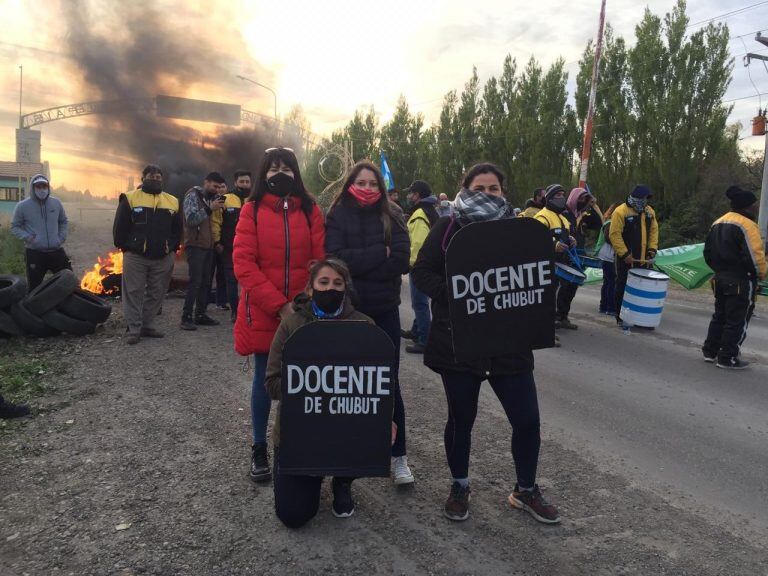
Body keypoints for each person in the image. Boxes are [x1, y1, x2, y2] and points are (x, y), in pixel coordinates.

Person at [412, 162, 559, 524]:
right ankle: (459, 485)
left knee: (527, 420)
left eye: (493, 188)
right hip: (460, 343)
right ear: (465, 188)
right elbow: (422, 272)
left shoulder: (519, 230)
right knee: (461, 420)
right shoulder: (448, 227)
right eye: (480, 187)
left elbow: (534, 278)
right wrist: (452, 295)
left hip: (509, 344)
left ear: (503, 193)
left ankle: (525, 490)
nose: (486, 193)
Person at [233, 147, 325, 483]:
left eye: (286, 167)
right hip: (263, 309)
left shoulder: (311, 209)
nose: (279, 173)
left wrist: (301, 302)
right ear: (262, 174)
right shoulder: (251, 211)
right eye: (272, 169)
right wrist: (278, 305)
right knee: (264, 379)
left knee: (306, 381)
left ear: (296, 172)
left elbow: (319, 260)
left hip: (304, 309)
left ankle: (298, 444)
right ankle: (259, 446)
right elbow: (243, 264)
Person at [325, 160, 414, 485]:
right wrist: (380, 252)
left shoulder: (393, 214)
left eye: (372, 184)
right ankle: (349, 453)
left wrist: (358, 263)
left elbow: (402, 262)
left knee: (389, 384)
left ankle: (399, 456)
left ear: (381, 187)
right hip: (348, 313)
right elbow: (334, 259)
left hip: (386, 312)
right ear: (351, 183)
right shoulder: (337, 214)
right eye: (361, 183)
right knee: (348, 384)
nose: (367, 189)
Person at [266, 258, 373, 527]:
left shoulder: (364, 327)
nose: (330, 289)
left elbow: (379, 384)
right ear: (311, 288)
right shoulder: (291, 325)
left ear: (346, 289)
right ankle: (313, 475)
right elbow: (271, 383)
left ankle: (343, 480)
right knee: (294, 515)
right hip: (300, 431)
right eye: (323, 282)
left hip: (344, 427)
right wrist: (311, 384)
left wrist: (386, 419)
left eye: (338, 283)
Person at [113, 164, 181, 345]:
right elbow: (120, 227)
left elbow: (177, 230)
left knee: (157, 293)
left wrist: (171, 249)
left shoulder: (173, 201)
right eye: (151, 176)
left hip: (162, 257)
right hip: (136, 257)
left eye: (158, 177)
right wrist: (125, 248)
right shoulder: (130, 198)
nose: (155, 179)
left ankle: (147, 325)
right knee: (133, 292)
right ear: (143, 179)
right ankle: (134, 329)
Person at [702, 186, 767, 369]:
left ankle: (710, 351)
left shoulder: (718, 222)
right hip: (740, 279)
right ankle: (727, 357)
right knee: (737, 320)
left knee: (719, 316)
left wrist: (719, 270)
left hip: (719, 277)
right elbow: (755, 257)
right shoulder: (747, 225)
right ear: (746, 206)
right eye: (754, 205)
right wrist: (761, 274)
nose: (756, 208)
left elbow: (707, 252)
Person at [181, 172, 226, 330]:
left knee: (206, 282)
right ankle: (186, 317)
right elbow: (191, 219)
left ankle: (200, 314)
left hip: (208, 246)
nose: (216, 190)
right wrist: (209, 209)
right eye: (214, 186)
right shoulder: (192, 195)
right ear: (206, 182)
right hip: (195, 246)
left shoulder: (209, 199)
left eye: (219, 187)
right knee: (195, 282)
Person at [11, 174, 71, 290]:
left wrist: (61, 237)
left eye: (44, 186)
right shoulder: (22, 206)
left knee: (69, 280)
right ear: (33, 188)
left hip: (56, 250)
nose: (42, 189)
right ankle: (35, 307)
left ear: (48, 187)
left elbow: (63, 221)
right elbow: (15, 227)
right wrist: (28, 237)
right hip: (35, 253)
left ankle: (68, 306)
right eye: (38, 186)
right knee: (35, 287)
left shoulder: (56, 203)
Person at [609, 185, 659, 325]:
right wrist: (624, 254)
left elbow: (654, 232)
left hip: (643, 259)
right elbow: (615, 235)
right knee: (623, 286)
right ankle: (620, 317)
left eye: (647, 199)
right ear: (636, 197)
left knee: (641, 288)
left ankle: (638, 317)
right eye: (644, 198)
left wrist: (652, 250)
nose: (645, 201)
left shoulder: (649, 211)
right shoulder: (620, 211)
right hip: (626, 259)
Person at [554, 187, 599, 330]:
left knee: (572, 287)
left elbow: (598, 223)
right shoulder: (564, 213)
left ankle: (564, 316)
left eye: (585, 199)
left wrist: (593, 205)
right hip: (563, 255)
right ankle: (556, 317)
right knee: (563, 287)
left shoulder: (582, 214)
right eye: (581, 198)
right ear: (574, 198)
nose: (583, 201)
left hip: (578, 255)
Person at [534, 184, 575, 342]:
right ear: (549, 198)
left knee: (560, 293)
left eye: (563, 195)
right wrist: (553, 245)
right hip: (546, 263)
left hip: (561, 263)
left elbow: (564, 235)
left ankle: (558, 320)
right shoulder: (542, 216)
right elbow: (537, 238)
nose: (562, 198)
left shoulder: (562, 217)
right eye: (557, 195)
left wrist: (571, 239)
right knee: (546, 298)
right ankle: (544, 332)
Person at [403, 180, 439, 354]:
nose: (409, 196)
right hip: (430, 264)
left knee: (419, 303)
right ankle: (416, 331)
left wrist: (411, 265)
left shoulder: (419, 213)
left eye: (411, 193)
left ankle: (424, 340)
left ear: (417, 195)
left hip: (419, 266)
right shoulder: (430, 210)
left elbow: (418, 244)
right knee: (421, 302)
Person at [212, 169, 251, 322]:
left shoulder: (254, 200)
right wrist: (217, 242)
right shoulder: (225, 199)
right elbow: (216, 222)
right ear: (235, 183)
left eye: (247, 181)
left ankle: (249, 310)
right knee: (231, 281)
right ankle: (235, 312)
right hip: (229, 248)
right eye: (242, 181)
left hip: (250, 249)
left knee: (250, 281)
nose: (245, 184)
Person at [596, 203, 620, 316]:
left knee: (607, 281)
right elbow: (609, 237)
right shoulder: (610, 223)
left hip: (606, 255)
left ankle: (603, 306)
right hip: (608, 256)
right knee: (611, 282)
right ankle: (610, 307)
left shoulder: (609, 222)